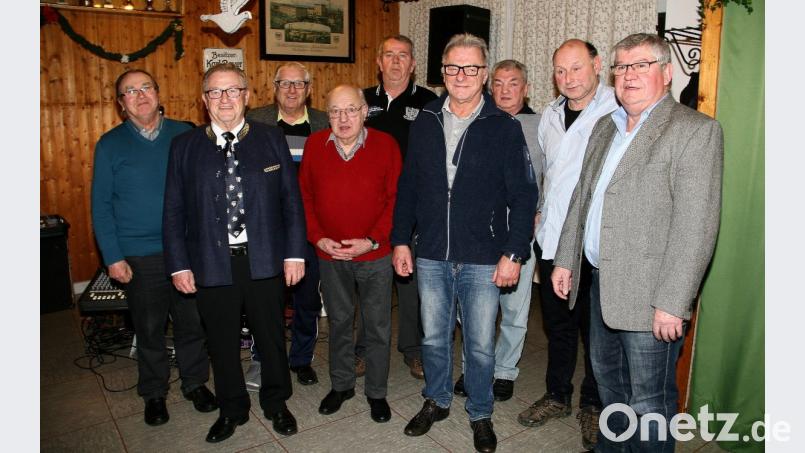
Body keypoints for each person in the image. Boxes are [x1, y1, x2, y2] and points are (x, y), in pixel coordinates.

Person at [550, 33, 723, 452]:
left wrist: (673, 301)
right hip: (600, 285)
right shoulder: (605, 127)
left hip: (651, 299)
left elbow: (696, 225)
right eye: (622, 66)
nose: (628, 75)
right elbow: (582, 197)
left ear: (666, 72)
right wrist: (566, 259)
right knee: (610, 389)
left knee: (650, 403)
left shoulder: (694, 131)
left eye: (641, 65)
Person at [392, 34, 538, 453]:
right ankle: (436, 400)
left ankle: (480, 412)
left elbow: (525, 196)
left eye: (471, 68)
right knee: (434, 338)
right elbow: (409, 187)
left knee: (478, 343)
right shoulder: (424, 121)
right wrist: (401, 239)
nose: (462, 75)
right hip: (433, 253)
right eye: (453, 67)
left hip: (482, 257)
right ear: (442, 72)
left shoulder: (503, 127)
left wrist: (514, 252)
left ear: (484, 74)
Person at [162, 63, 306, 443]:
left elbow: (291, 202)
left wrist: (295, 254)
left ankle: (277, 403)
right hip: (211, 263)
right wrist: (178, 264)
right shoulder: (185, 147)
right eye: (215, 91)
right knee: (222, 342)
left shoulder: (271, 138)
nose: (224, 99)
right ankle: (232, 408)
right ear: (204, 99)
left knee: (271, 337)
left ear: (245, 96)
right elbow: (173, 211)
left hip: (265, 260)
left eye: (232, 91)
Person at [91, 69, 217, 428]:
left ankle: (195, 383)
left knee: (192, 323)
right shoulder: (110, 145)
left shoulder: (186, 134)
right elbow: (100, 206)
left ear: (158, 94)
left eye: (146, 87)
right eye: (130, 91)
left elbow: (205, 190)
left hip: (186, 250)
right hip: (138, 254)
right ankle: (154, 393)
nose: (140, 94)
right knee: (149, 328)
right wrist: (113, 257)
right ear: (121, 104)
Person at [516, 39, 617, 451]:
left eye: (576, 69)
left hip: (594, 242)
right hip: (553, 238)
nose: (568, 78)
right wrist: (539, 210)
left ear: (597, 66)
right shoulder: (550, 115)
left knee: (595, 331)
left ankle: (593, 405)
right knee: (557, 326)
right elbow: (550, 173)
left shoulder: (617, 110)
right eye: (560, 71)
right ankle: (557, 395)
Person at [299, 84, 402, 423]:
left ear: (364, 111)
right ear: (326, 115)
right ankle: (341, 385)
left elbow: (394, 200)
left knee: (377, 326)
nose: (343, 118)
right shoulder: (314, 145)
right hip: (331, 256)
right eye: (335, 111)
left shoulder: (386, 146)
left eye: (351, 110)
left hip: (374, 255)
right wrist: (317, 238)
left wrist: (372, 240)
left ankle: (376, 392)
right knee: (340, 323)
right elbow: (306, 198)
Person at [453, 59, 541, 402]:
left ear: (526, 88)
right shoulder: (475, 120)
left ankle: (504, 370)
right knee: (474, 311)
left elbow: (553, 177)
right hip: (479, 236)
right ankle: (475, 368)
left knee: (516, 309)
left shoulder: (539, 126)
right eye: (500, 83)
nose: (505, 90)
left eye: (514, 83)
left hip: (519, 232)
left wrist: (539, 214)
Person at [357, 34, 438, 380]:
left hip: (412, 210)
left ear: (413, 64)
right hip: (368, 211)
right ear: (378, 61)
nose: (395, 61)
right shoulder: (360, 100)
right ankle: (362, 349)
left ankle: (414, 350)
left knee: (410, 286)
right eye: (388, 54)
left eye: (402, 55)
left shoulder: (430, 102)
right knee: (369, 285)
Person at [244, 62, 329, 389]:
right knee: (267, 300)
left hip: (310, 230)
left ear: (309, 89)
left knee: (307, 299)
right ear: (274, 87)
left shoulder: (324, 123)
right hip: (266, 230)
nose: (292, 90)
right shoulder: (255, 122)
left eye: (299, 84)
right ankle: (262, 358)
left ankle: (301, 358)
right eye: (285, 83)